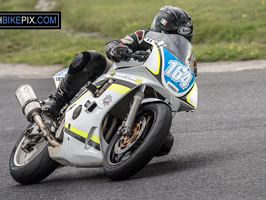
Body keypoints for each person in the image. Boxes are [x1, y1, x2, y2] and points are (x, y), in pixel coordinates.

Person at [42, 6, 195, 155]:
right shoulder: (143, 36)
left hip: (151, 95)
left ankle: (122, 142)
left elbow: (188, 80)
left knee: (164, 144)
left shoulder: (189, 60)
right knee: (90, 58)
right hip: (120, 75)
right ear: (159, 31)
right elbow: (114, 44)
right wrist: (117, 49)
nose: (175, 42)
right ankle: (57, 101)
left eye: (181, 39)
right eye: (171, 36)